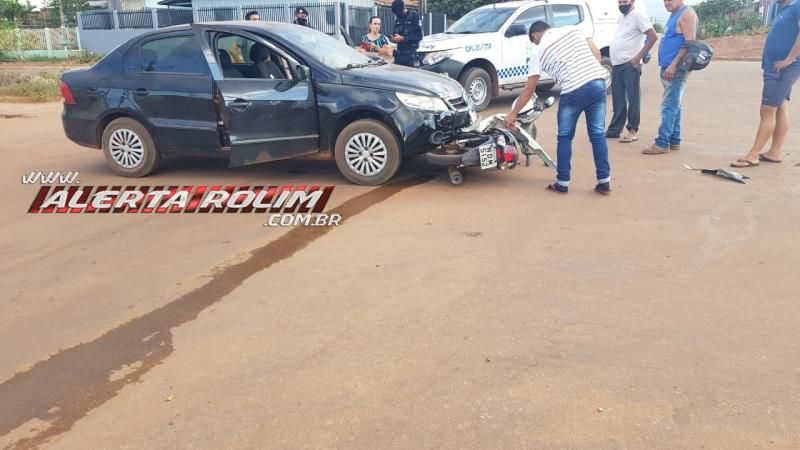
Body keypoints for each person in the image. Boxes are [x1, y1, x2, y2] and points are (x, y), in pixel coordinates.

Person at [506, 21, 612, 195]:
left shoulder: (537, 50)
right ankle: (604, 182)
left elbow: (529, 89)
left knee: (564, 137)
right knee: (597, 134)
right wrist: (589, 73)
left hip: (573, 90)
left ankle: (562, 183)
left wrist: (513, 114)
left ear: (535, 35)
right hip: (598, 83)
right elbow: (597, 53)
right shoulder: (572, 29)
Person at [731, 0, 800, 168]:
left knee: (767, 110)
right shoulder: (785, 8)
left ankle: (753, 155)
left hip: (782, 68)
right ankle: (775, 152)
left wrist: (789, 59)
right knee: (781, 106)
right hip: (777, 66)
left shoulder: (798, 6)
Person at [642, 0, 698, 155]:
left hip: (676, 69)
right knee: (674, 105)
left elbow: (689, 44)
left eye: (670, 0)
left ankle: (662, 143)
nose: (666, 3)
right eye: (664, 0)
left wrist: (673, 65)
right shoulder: (674, 14)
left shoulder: (686, 14)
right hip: (668, 67)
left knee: (668, 106)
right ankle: (674, 140)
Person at [605, 0, 658, 143]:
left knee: (633, 98)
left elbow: (653, 37)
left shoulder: (638, 15)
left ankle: (633, 130)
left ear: (632, 1)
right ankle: (615, 129)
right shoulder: (622, 17)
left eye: (625, 1)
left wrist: (638, 58)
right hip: (617, 65)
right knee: (618, 98)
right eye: (620, 1)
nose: (622, 4)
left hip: (630, 65)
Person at [390, 0, 422, 67]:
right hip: (399, 56)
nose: (398, 15)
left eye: (399, 13)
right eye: (396, 14)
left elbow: (419, 36)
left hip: (411, 56)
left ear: (404, 8)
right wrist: (393, 39)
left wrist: (403, 38)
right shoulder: (397, 20)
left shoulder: (414, 17)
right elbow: (395, 34)